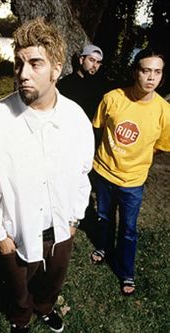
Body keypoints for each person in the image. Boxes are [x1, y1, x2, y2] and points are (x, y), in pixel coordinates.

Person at [0, 17, 94, 333]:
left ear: (56, 69)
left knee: (52, 280)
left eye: (35, 64)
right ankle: (21, 318)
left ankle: (44, 309)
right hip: (15, 229)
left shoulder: (76, 118)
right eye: (19, 63)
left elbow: (83, 172)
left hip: (59, 227)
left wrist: (73, 219)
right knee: (17, 287)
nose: (23, 74)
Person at [90, 47, 170, 296]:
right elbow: (98, 130)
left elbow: (159, 148)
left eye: (157, 72)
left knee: (128, 228)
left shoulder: (164, 111)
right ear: (136, 72)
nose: (151, 77)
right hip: (103, 172)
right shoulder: (112, 98)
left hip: (133, 181)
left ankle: (126, 271)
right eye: (146, 70)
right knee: (103, 216)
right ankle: (102, 247)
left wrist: (136, 160)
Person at [57, 43, 109, 120]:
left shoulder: (97, 90)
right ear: (81, 60)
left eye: (98, 62)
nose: (95, 65)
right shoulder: (66, 83)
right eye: (91, 60)